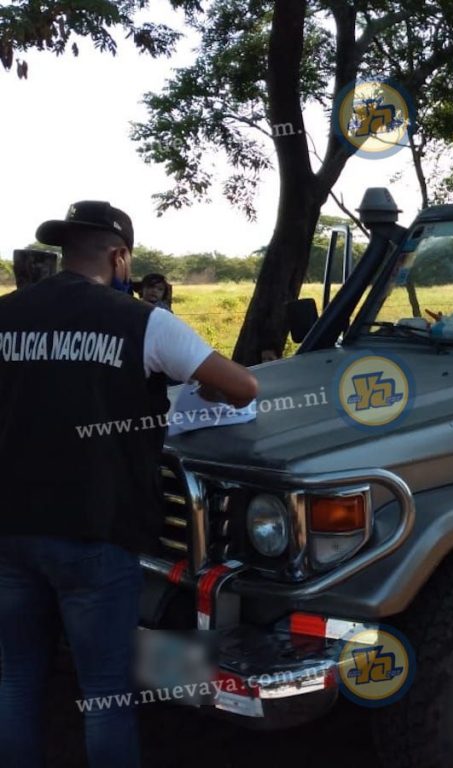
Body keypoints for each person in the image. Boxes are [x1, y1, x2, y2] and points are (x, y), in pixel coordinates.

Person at [0, 201, 258, 768]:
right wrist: (206, 390)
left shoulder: (7, 313)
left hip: (11, 530)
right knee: (104, 697)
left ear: (65, 252)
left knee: (16, 679)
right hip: (95, 533)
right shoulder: (143, 322)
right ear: (119, 257)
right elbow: (242, 387)